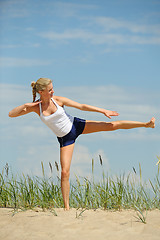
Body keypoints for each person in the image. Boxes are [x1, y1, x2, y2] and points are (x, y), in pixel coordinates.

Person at [9, 78, 155, 210]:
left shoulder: (58, 100)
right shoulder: (36, 107)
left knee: (111, 125)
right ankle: (67, 207)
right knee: (65, 172)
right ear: (41, 92)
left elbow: (82, 106)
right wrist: (26, 105)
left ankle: (145, 124)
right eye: (50, 90)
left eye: (53, 88)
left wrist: (102, 110)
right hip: (66, 139)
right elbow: (11, 114)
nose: (53, 91)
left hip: (76, 125)